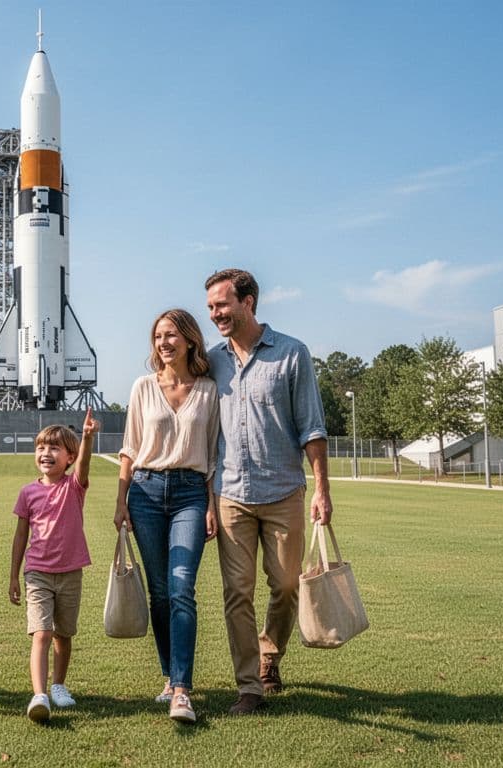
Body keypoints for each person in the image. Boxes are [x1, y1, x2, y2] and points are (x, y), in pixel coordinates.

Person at [204, 268, 331, 716]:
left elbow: (312, 427)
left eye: (222, 305)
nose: (215, 314)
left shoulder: (292, 355)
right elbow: (204, 436)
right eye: (211, 308)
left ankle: (269, 655)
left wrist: (321, 489)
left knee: (286, 586)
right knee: (237, 592)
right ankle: (249, 686)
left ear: (249, 302)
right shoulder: (212, 361)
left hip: (283, 493)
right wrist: (207, 498)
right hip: (231, 495)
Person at [113, 308, 220, 724]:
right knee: (160, 592)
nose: (164, 342)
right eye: (158, 336)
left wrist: (211, 503)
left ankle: (181, 690)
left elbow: (212, 454)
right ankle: (168, 675)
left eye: (172, 334)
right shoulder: (142, 387)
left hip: (191, 494)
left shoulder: (209, 390)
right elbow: (129, 448)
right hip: (145, 492)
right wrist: (121, 501)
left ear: (190, 340)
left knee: (180, 587)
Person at [9, 410, 98, 723]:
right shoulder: (27, 493)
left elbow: (85, 466)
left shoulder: (74, 486)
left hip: (71, 572)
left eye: (54, 448)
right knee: (42, 633)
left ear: (69, 457)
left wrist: (87, 437)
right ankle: (39, 693)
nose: (46, 453)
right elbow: (20, 537)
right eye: (41, 448)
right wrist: (13, 577)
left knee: (64, 634)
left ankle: (58, 685)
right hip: (37, 573)